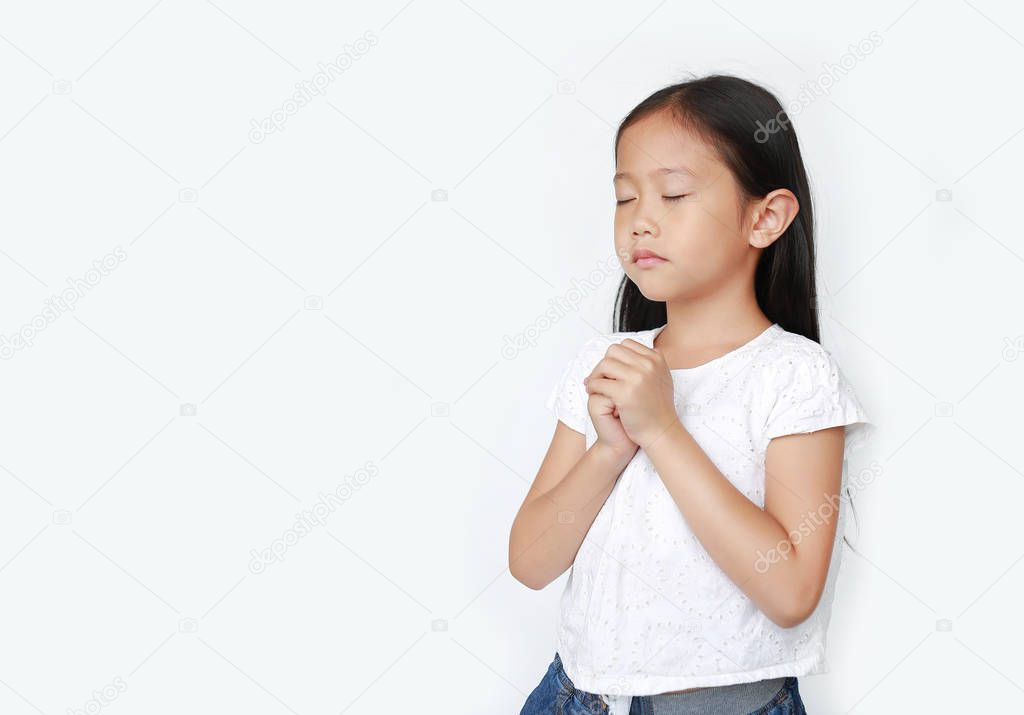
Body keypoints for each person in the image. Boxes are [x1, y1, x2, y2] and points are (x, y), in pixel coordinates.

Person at [509, 73, 876, 714]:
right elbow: (532, 562)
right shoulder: (604, 363)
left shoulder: (794, 376)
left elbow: (790, 591)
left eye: (675, 194)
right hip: (575, 696)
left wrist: (664, 432)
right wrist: (609, 449)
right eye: (625, 198)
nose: (641, 222)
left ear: (765, 218)